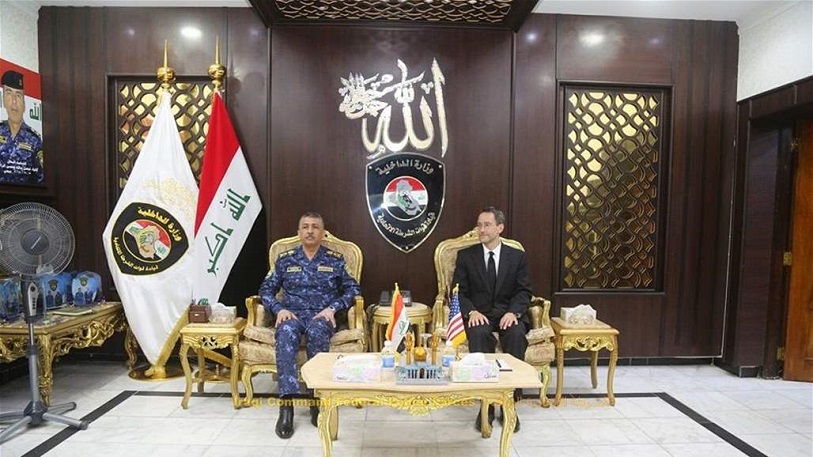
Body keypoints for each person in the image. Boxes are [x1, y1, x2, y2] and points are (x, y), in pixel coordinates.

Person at [259, 211, 361, 439]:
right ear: (299, 232)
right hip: (291, 315)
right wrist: (279, 309)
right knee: (285, 332)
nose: (310, 231)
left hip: (321, 316)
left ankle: (316, 400)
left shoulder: (335, 260)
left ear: (323, 233)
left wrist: (332, 308)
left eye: (315, 227)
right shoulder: (285, 260)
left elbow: (353, 290)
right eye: (305, 226)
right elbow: (265, 290)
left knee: (317, 332)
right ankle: (286, 406)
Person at [452, 206, 532, 433]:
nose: (481, 230)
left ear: (500, 228)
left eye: (487, 225)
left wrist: (514, 312)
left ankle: (509, 404)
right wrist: (471, 312)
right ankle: (485, 404)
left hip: (507, 314)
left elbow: (524, 291)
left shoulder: (517, 257)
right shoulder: (466, 256)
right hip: (480, 315)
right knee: (478, 335)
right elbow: (458, 292)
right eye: (479, 225)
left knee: (516, 335)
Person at [0, 70, 44, 185]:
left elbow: (40, 179)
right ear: (3, 99)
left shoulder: (34, 139)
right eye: (9, 93)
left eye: (18, 95)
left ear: (24, 103)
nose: (14, 101)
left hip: (24, 195)